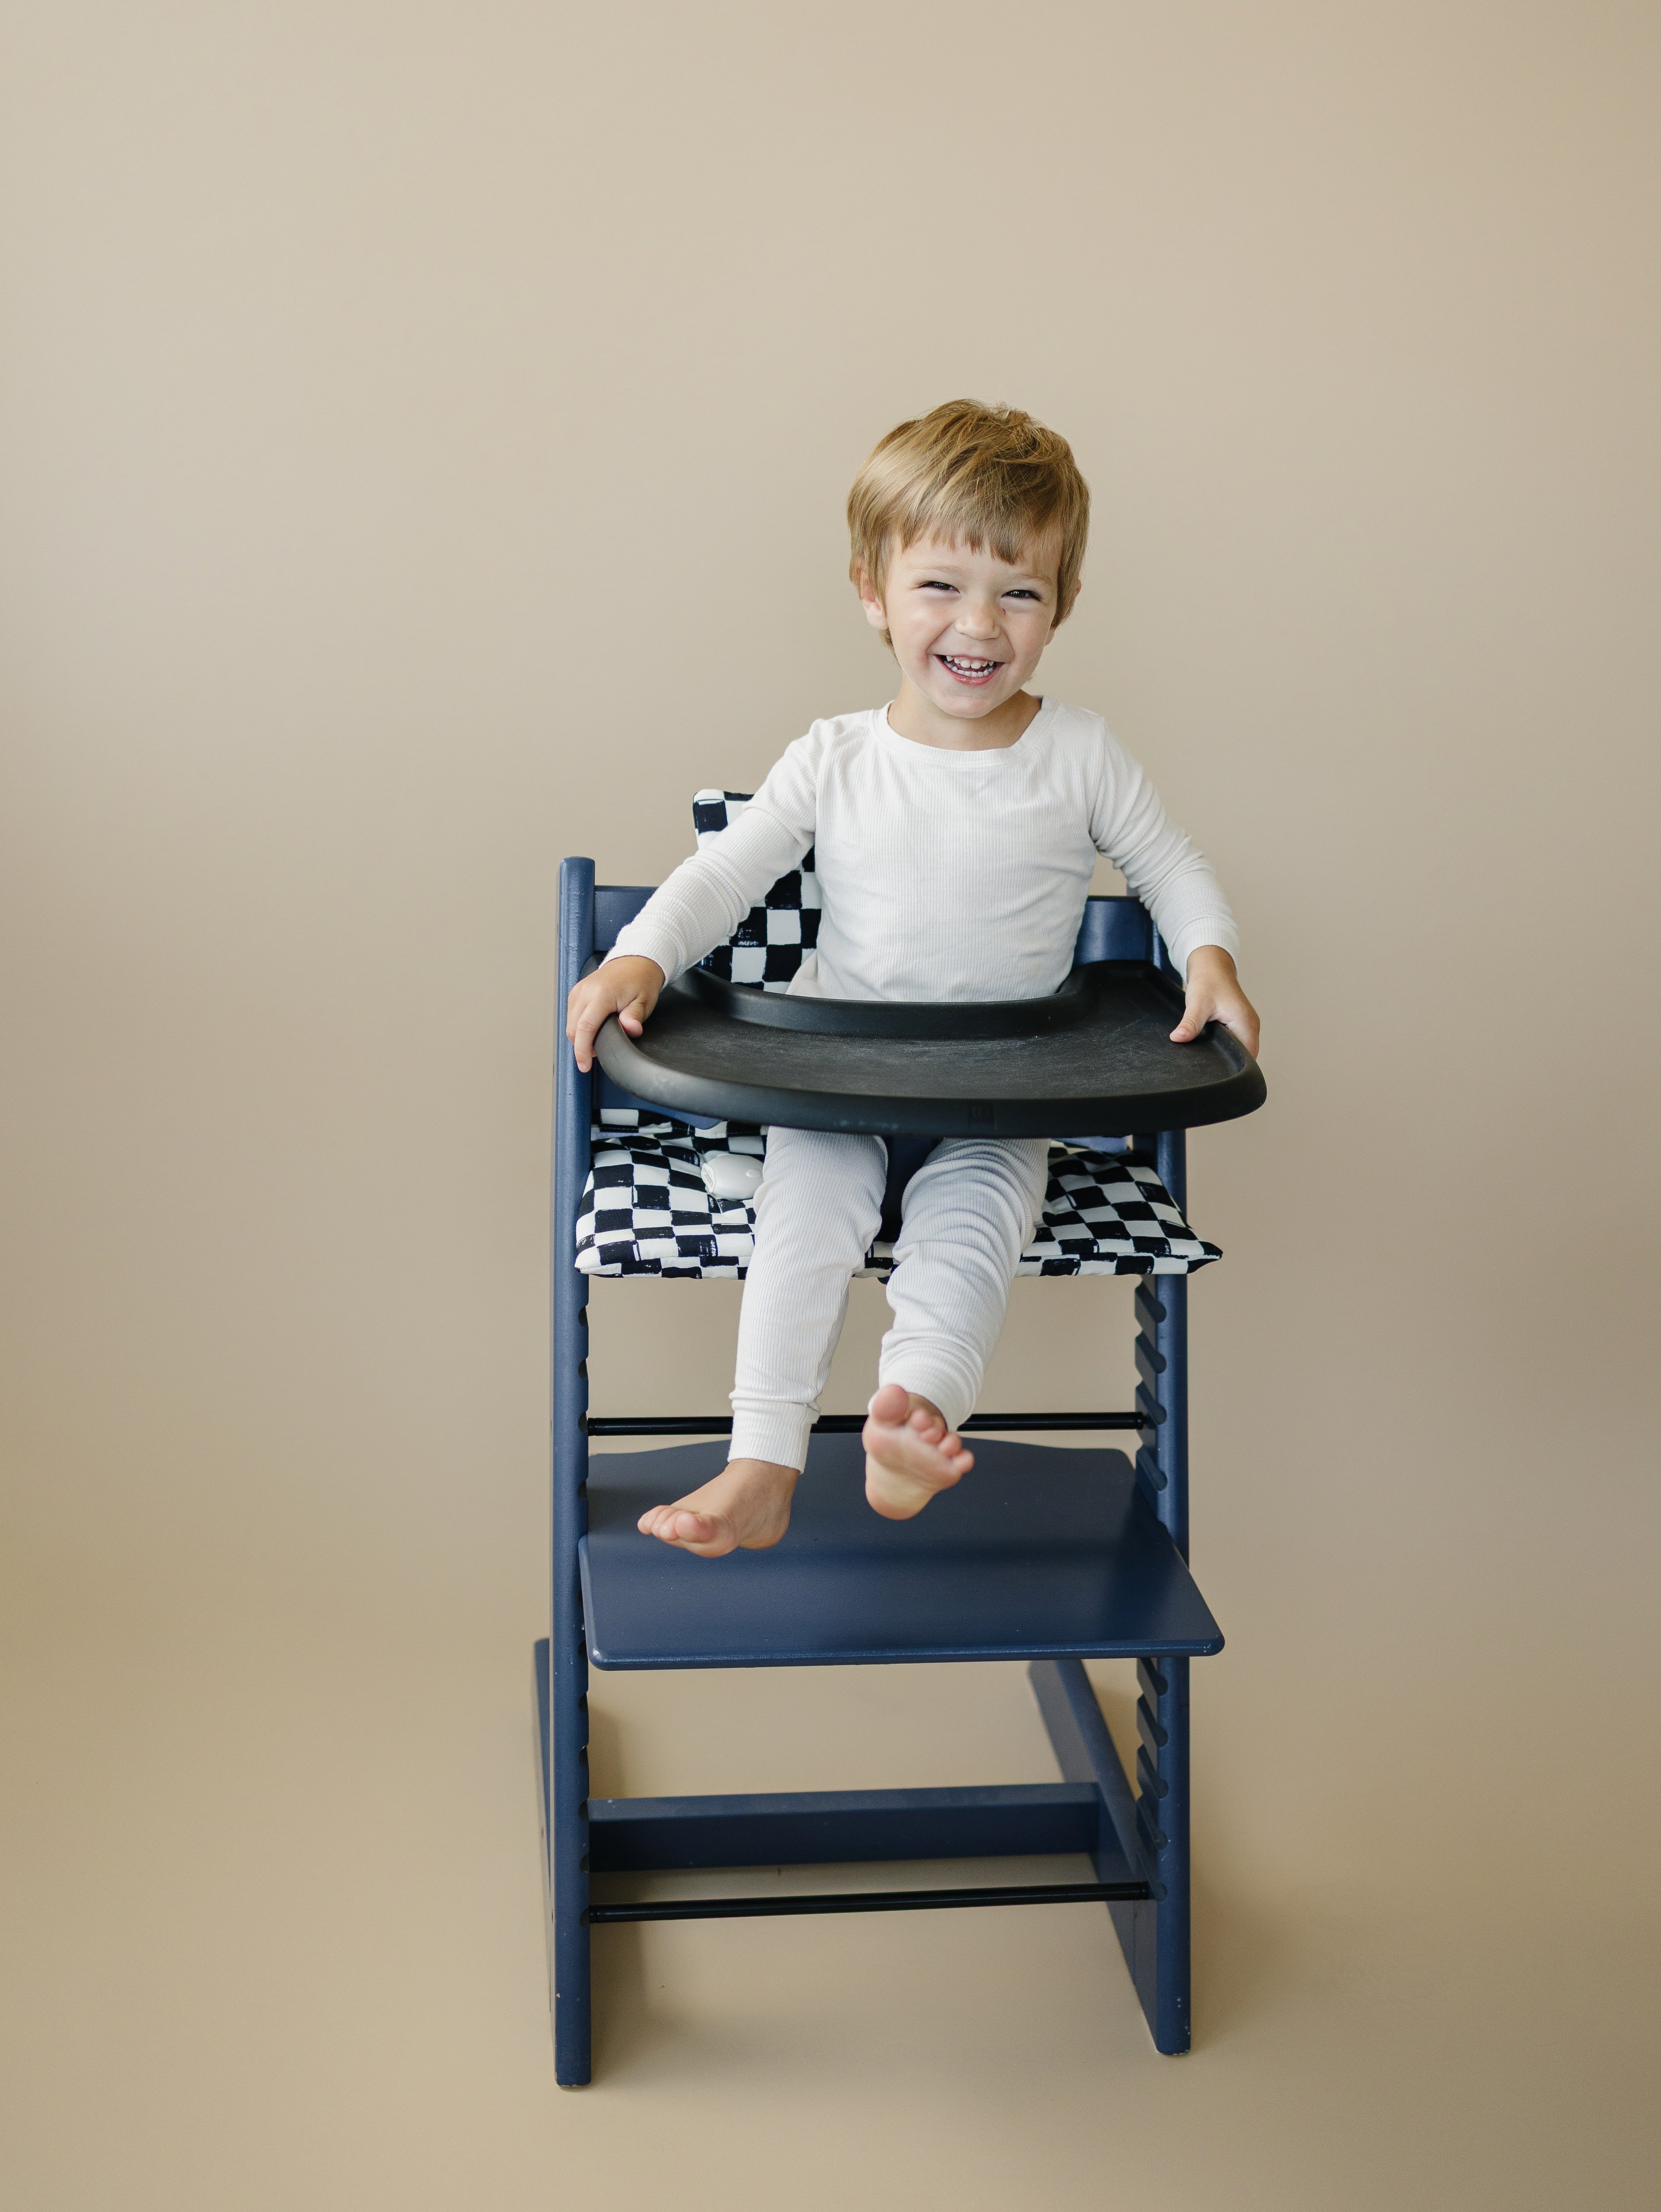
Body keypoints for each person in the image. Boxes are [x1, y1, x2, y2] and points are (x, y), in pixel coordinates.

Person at [566, 400, 1259, 1558]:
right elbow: (724, 874)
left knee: (973, 1224)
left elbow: (1168, 864)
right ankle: (762, 1463)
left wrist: (1209, 960)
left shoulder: (1079, 753)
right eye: (939, 586)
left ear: (1061, 608)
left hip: (1006, 1086)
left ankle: (912, 1427)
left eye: (1018, 593)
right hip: (837, 1076)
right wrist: (640, 955)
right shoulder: (834, 758)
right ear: (871, 593)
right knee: (804, 1216)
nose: (977, 623)